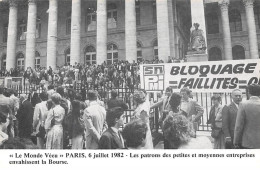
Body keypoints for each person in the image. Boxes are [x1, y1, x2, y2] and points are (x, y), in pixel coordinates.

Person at [234, 84, 260, 149]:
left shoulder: (243, 105)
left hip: (247, 143)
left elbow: (238, 126)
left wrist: (236, 141)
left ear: (248, 92)